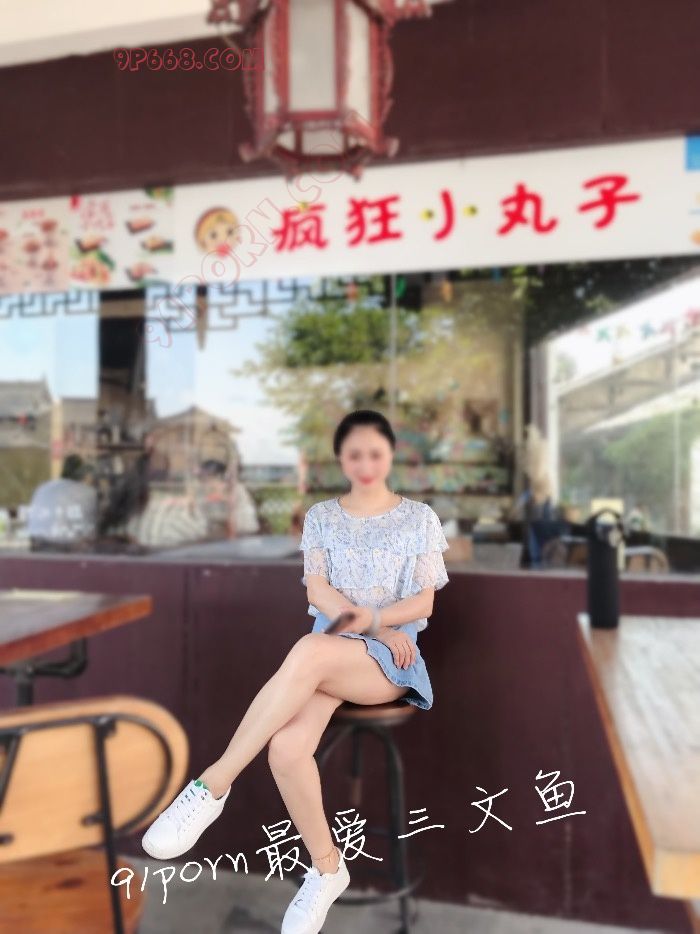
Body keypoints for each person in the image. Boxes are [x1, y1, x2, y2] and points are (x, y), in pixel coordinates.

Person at [140, 409, 450, 934]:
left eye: (375, 453)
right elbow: (318, 590)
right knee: (285, 749)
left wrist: (376, 629)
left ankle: (212, 785)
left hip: (390, 660)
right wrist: (371, 625)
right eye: (355, 454)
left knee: (309, 649)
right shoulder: (322, 516)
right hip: (335, 652)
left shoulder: (419, 517)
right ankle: (328, 870)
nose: (366, 463)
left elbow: (424, 601)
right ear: (340, 459)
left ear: (391, 455)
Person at [28, 454, 97, 552]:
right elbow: (94, 524)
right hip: (70, 547)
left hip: (39, 545)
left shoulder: (43, 487)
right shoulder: (87, 492)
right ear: (83, 474)